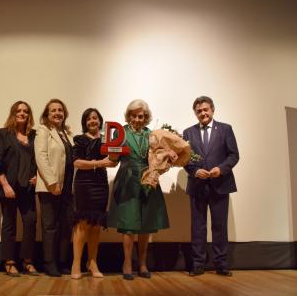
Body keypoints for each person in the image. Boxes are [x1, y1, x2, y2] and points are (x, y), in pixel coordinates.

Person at [108, 99, 169, 280]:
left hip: (148, 181)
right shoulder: (120, 133)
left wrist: (169, 155)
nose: (137, 119)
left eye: (140, 116)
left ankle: (142, 263)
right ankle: (127, 263)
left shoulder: (152, 135)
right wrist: (112, 153)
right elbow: (112, 158)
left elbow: (158, 157)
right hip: (127, 180)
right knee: (128, 225)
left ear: (146, 117)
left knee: (145, 224)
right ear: (128, 116)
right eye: (133, 115)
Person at [183, 96, 239, 277]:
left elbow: (233, 155)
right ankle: (198, 264)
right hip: (197, 185)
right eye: (199, 111)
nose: (203, 113)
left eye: (206, 109)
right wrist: (193, 171)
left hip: (220, 184)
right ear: (195, 113)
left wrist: (221, 169)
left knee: (219, 226)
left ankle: (221, 264)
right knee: (197, 227)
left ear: (213, 110)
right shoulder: (188, 133)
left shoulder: (225, 129)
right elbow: (184, 159)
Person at [0, 101, 39, 277]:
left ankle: (28, 261)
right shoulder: (3, 134)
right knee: (9, 223)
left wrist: (38, 176)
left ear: (29, 115)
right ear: (13, 113)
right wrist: (5, 185)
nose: (22, 113)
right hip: (8, 186)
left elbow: (40, 159)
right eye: (18, 110)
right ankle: (9, 261)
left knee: (31, 222)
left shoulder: (34, 135)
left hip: (28, 188)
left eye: (26, 111)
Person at [70, 108, 117, 279]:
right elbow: (77, 162)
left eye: (95, 118)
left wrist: (113, 160)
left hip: (100, 184)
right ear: (85, 122)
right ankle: (76, 263)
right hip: (84, 184)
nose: (92, 121)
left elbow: (112, 161)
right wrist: (99, 163)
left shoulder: (107, 140)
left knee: (96, 225)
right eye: (89, 119)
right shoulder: (80, 140)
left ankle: (92, 262)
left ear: (100, 120)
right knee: (82, 224)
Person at [34, 98, 74, 277]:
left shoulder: (67, 133)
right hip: (50, 186)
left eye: (60, 110)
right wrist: (51, 182)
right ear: (47, 115)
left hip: (67, 187)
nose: (57, 113)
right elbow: (41, 157)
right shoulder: (43, 131)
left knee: (65, 225)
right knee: (50, 226)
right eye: (53, 111)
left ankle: (62, 260)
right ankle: (49, 263)